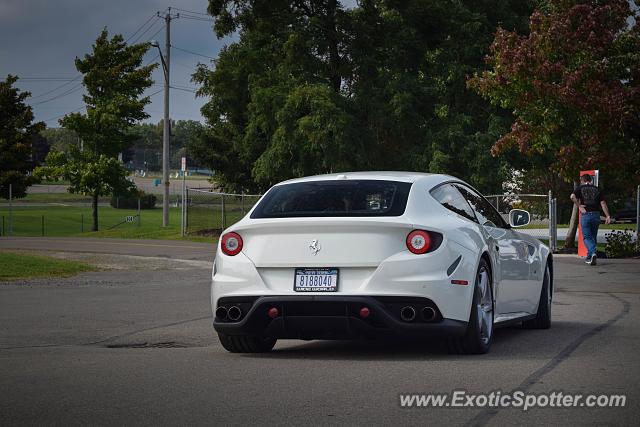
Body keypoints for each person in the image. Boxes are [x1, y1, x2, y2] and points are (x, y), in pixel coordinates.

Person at [570, 174, 611, 265]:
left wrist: (579, 206)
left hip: (586, 215)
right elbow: (603, 203)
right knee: (593, 237)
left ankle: (592, 253)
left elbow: (572, 196)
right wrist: (607, 216)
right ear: (591, 180)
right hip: (596, 215)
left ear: (582, 180)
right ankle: (589, 257)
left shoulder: (580, 188)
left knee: (587, 237)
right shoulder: (597, 189)